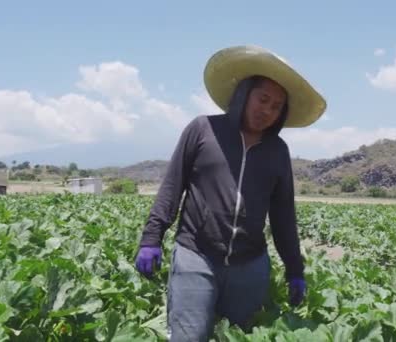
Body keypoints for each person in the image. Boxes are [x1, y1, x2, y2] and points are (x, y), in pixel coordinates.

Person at [134, 45, 327, 341]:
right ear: (244, 94)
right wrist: (151, 238)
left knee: (237, 337)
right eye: (263, 99)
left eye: (277, 107)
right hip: (195, 255)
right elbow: (172, 187)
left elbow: (283, 216)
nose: (268, 111)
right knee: (189, 336)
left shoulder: (277, 151)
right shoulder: (203, 129)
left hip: (250, 266)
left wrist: (295, 269)